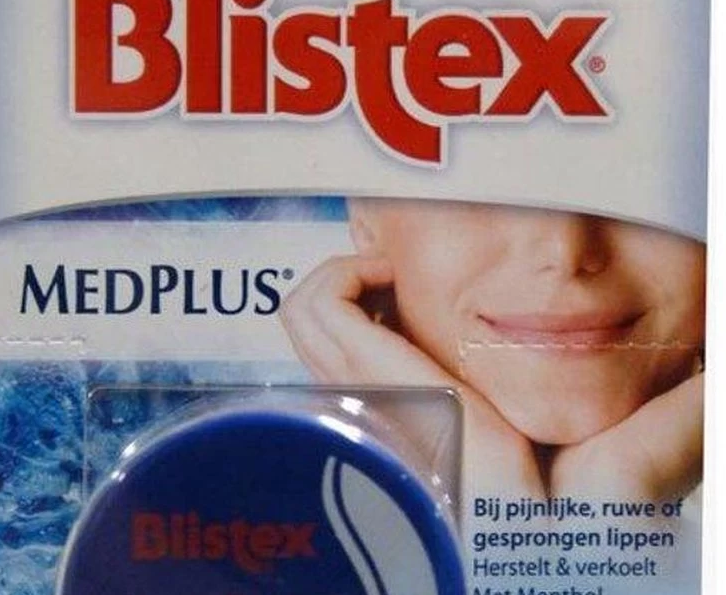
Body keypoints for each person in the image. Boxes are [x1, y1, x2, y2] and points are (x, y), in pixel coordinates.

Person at [281, 201, 705, 501]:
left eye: (634, 188)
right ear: (367, 219)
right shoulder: (276, 519)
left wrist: (615, 502)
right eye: (493, 192)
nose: (566, 252)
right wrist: (487, 487)